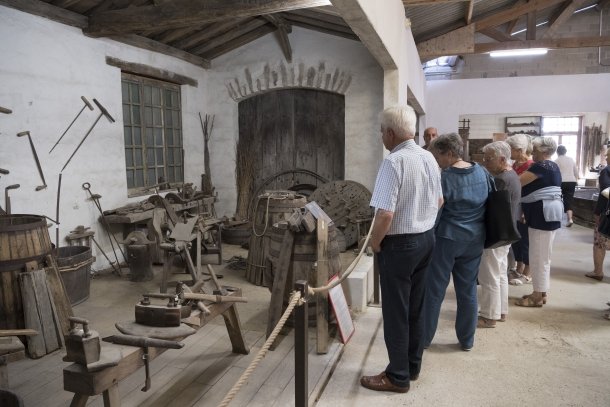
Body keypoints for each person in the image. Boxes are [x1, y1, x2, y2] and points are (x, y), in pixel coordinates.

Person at [360, 106, 442, 394]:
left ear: (391, 133)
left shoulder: (393, 162)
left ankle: (397, 376)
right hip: (426, 239)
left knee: (396, 312)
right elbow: (440, 201)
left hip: (401, 245)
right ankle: (412, 366)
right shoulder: (428, 156)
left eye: (382, 131)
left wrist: (375, 242)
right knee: (416, 308)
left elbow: (384, 214)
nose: (382, 136)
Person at [422, 133, 489, 351]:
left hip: (447, 239)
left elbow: (435, 210)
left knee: (434, 291)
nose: (437, 160)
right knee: (468, 290)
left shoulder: (445, 177)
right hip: (475, 239)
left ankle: (423, 340)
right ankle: (467, 340)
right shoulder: (482, 171)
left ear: (449, 153)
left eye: (438, 155)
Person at [515, 136, 562, 307]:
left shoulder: (541, 166)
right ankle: (541, 292)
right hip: (548, 213)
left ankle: (537, 296)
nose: (532, 152)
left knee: (538, 256)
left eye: (534, 149)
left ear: (543, 150)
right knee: (542, 255)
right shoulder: (553, 166)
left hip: (542, 215)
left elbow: (517, 182)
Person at [478, 141, 521, 327]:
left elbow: (492, 209)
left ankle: (489, 316)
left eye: (489, 159)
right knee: (500, 274)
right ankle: (501, 311)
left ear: (502, 159)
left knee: (489, 276)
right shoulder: (512, 175)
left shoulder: (502, 180)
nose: (485, 163)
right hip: (506, 232)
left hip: (497, 233)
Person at [506, 134, 534, 285]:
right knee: (516, 238)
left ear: (519, 149)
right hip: (513, 206)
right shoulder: (514, 164)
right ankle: (519, 267)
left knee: (525, 240)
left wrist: (524, 210)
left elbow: (528, 190)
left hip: (524, 206)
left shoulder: (530, 165)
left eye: (511, 149)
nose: (509, 151)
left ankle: (528, 272)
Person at [585, 148, 610, 282]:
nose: (606, 158)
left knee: (599, 242)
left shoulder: (606, 170)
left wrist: (598, 212)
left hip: (606, 212)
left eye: (608, 156)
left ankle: (598, 271)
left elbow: (605, 192)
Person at [554, 144, 578, 227]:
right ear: (565, 151)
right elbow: (576, 172)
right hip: (571, 181)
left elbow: (555, 173)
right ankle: (570, 219)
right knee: (569, 200)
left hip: (561, 181)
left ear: (557, 152)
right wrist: (576, 180)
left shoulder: (556, 161)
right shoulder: (571, 159)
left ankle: (556, 218)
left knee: (557, 199)